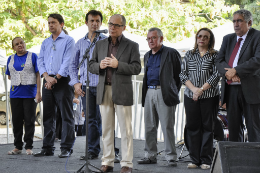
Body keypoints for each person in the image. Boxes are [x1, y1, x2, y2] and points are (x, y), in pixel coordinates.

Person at [89, 14, 141, 173]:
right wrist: (100, 66)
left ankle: (126, 163)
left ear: (124, 27)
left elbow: (136, 68)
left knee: (125, 130)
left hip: (123, 91)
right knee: (106, 129)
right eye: (110, 24)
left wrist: (118, 65)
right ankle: (107, 161)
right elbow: (91, 64)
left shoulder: (132, 45)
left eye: (116, 25)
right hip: (104, 90)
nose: (112, 27)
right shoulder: (100, 44)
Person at [69, 10, 120, 162]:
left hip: (104, 86)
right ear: (86, 22)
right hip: (86, 87)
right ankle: (92, 151)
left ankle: (111, 151)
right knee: (90, 120)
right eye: (92, 21)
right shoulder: (80, 43)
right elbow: (72, 66)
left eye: (97, 21)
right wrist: (76, 83)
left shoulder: (108, 41)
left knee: (106, 119)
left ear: (101, 23)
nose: (95, 23)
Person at [137, 28, 181, 167]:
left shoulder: (171, 53)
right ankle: (150, 155)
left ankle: (171, 157)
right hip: (149, 92)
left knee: (167, 126)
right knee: (149, 126)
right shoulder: (147, 55)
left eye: (154, 38)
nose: (151, 40)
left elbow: (179, 75)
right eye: (148, 38)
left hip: (164, 93)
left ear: (161, 38)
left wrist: (171, 91)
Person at [34, 13, 75, 158]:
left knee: (66, 116)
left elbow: (68, 61)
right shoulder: (45, 42)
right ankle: (47, 147)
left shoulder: (69, 40)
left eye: (54, 22)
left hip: (62, 80)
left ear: (61, 24)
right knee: (48, 116)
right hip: (47, 80)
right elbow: (40, 61)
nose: (51, 25)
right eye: (49, 22)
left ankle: (66, 148)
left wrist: (55, 78)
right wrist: (46, 77)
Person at [216, 9, 260, 142]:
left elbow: (257, 60)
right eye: (234, 21)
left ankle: (255, 161)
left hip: (251, 89)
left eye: (239, 21)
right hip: (231, 90)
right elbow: (219, 61)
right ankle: (237, 161)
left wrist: (236, 70)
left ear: (249, 22)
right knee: (234, 128)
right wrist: (229, 73)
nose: (236, 24)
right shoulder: (228, 38)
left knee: (254, 128)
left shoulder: (257, 36)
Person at [179, 28, 220, 169]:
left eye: (205, 37)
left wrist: (201, 90)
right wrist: (194, 90)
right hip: (190, 96)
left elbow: (216, 75)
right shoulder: (189, 54)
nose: (201, 39)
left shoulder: (215, 55)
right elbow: (183, 75)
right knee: (192, 127)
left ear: (210, 40)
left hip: (210, 96)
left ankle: (206, 160)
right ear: (196, 38)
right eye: (199, 36)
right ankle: (194, 159)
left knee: (208, 128)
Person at [6, 37, 41, 155]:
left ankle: (29, 146)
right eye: (17, 44)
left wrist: (38, 92)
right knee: (16, 121)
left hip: (30, 94)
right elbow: (9, 75)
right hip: (15, 94)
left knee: (29, 120)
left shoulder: (33, 56)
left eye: (21, 42)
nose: (20, 45)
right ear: (13, 47)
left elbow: (38, 74)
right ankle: (17, 146)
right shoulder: (10, 58)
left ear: (25, 43)